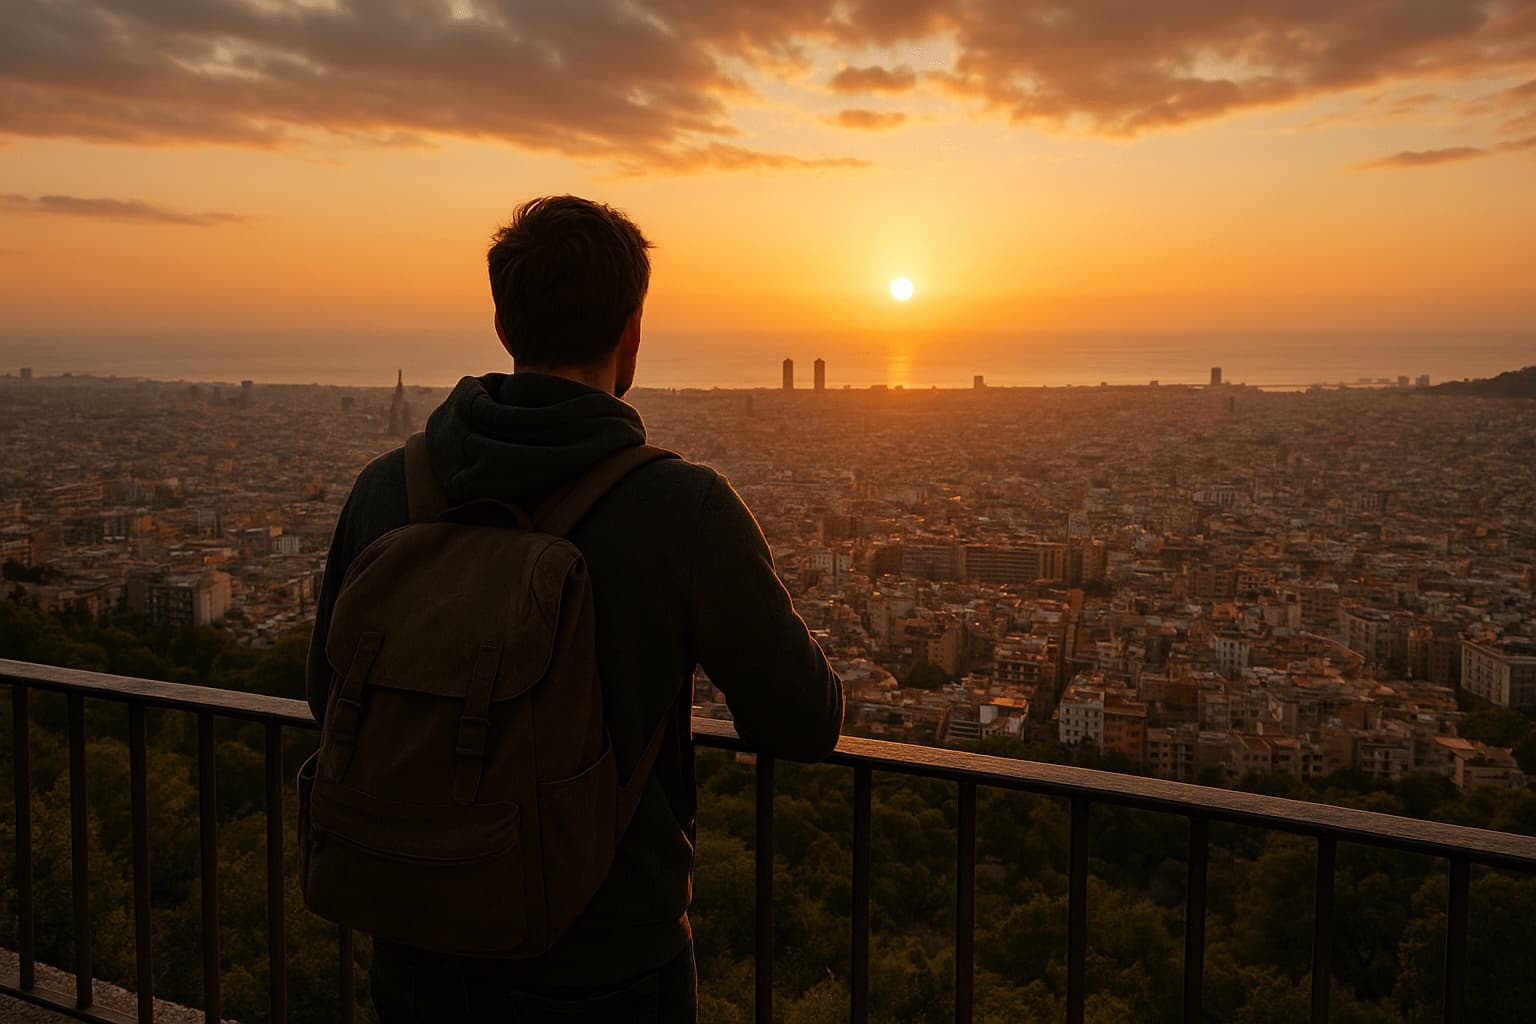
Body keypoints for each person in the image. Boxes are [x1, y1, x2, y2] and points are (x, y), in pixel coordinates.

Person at [305, 195, 844, 1023]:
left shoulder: (389, 488)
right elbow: (801, 720)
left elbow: (326, 692)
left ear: (503, 324)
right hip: (606, 962)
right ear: (631, 328)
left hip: (416, 941)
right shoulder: (681, 507)